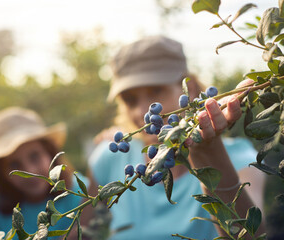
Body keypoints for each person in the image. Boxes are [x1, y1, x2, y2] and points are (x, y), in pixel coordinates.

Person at [88, 36, 265, 239]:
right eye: (130, 100)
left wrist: (210, 155)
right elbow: (78, 231)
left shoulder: (237, 158)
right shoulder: (110, 158)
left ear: (189, 89)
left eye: (156, 90)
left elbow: (251, 234)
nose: (140, 111)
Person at [0, 107, 87, 238]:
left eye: (35, 156)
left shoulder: (81, 192)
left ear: (50, 153)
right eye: (14, 165)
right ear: (1, 173)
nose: (30, 171)